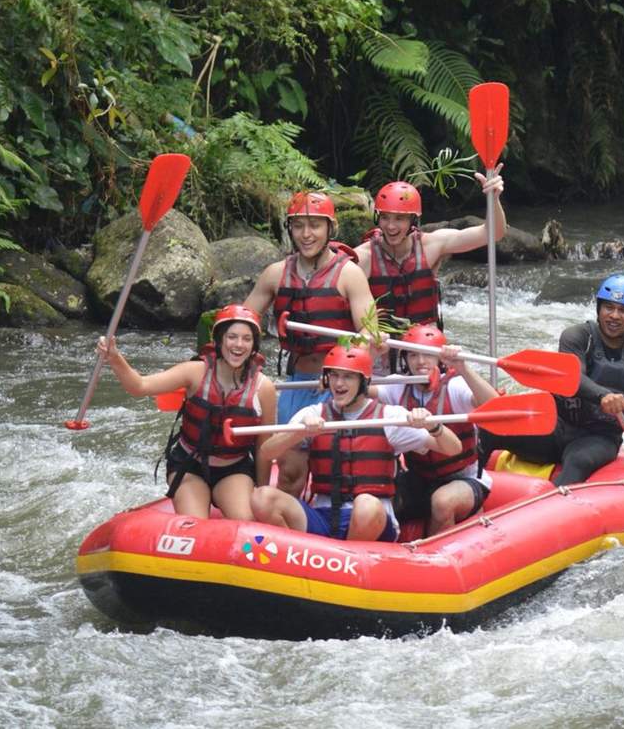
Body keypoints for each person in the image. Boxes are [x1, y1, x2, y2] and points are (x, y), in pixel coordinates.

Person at [242, 190, 381, 495]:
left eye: (315, 225)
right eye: (298, 226)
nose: (306, 234)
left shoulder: (350, 274)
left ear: (330, 228)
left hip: (341, 384)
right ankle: (287, 521)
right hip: (298, 383)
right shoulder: (275, 274)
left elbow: (369, 333)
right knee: (290, 473)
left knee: (337, 469)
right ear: (289, 229)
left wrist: (338, 373)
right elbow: (241, 322)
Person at [250, 344, 461, 542]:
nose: (339, 383)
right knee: (262, 497)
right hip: (324, 515)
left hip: (373, 520)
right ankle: (299, 553)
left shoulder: (389, 417)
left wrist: (433, 426)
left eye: (348, 377)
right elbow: (268, 452)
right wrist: (298, 433)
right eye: (334, 375)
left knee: (365, 505)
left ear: (363, 382)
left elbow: (453, 449)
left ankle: (341, 559)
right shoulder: (313, 413)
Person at [479, 274, 624, 486]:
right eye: (609, 307)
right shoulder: (576, 336)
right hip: (556, 425)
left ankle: (551, 503)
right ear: (599, 308)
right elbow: (574, 378)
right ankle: (469, 487)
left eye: (623, 310)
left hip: (600, 437)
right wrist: (603, 395)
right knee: (489, 428)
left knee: (578, 461)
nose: (614, 315)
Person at [96, 304, 277, 520]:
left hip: (234, 468)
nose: (239, 345)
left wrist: (261, 494)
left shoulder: (264, 388)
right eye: (232, 337)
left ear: (254, 344)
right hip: (190, 465)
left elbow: (263, 448)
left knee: (245, 521)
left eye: (247, 339)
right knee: (195, 525)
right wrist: (115, 358)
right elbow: (140, 386)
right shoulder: (194, 372)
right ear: (219, 340)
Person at [375, 324, 498, 536]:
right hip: (419, 477)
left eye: (428, 355)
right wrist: (372, 353)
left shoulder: (454, 385)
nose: (420, 361)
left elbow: (494, 406)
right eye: (413, 355)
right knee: (379, 497)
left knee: (442, 502)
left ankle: (436, 549)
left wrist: (463, 368)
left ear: (439, 358)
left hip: (465, 478)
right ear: (405, 359)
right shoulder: (398, 385)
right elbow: (357, 391)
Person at [355, 174, 508, 335]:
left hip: (425, 343)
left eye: (399, 218)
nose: (391, 226)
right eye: (385, 217)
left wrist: (493, 199)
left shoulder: (432, 245)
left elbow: (493, 233)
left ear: (413, 220)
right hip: (382, 343)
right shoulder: (364, 257)